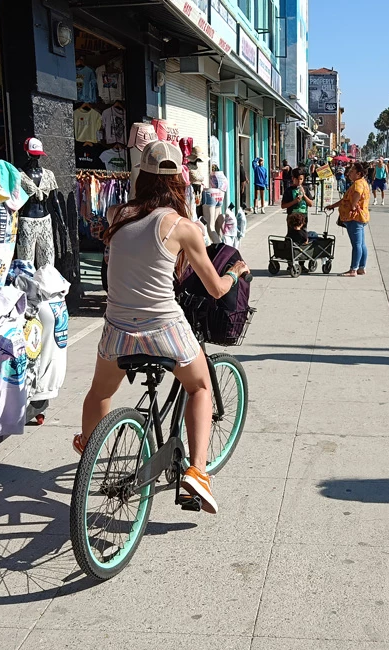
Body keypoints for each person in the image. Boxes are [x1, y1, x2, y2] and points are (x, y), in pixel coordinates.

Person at [79, 141, 251, 514]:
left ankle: (90, 449)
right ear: (180, 181)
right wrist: (235, 274)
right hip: (163, 329)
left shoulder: (116, 214)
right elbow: (215, 288)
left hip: (117, 328)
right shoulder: (183, 227)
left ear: (141, 175)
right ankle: (198, 472)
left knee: (99, 392)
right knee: (200, 385)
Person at [325, 161, 371, 276]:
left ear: (359, 174)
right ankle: (361, 267)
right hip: (361, 217)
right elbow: (345, 200)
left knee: (356, 244)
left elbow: (357, 195)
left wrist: (353, 205)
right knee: (361, 244)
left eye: (352, 171)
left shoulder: (358, 184)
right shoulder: (362, 182)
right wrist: (333, 206)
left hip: (354, 218)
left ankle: (353, 269)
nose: (349, 173)